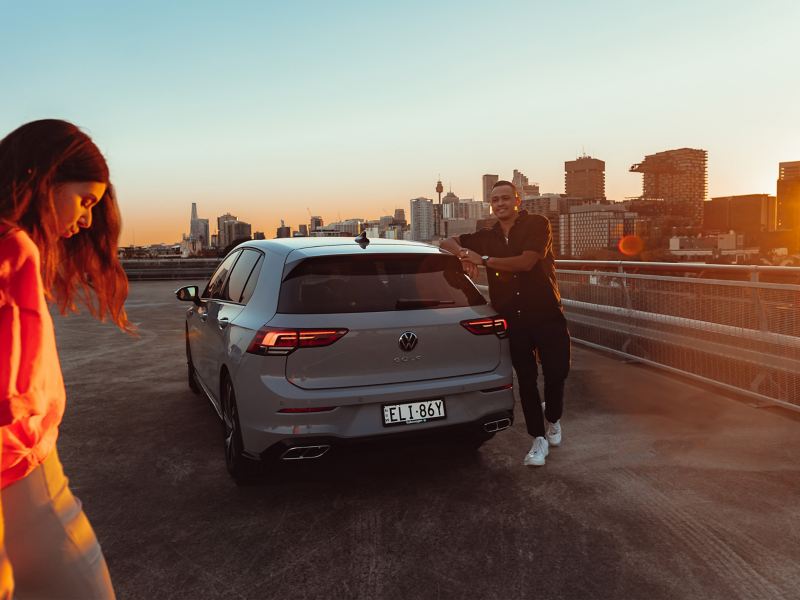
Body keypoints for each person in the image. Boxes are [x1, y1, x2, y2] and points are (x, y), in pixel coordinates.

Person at [0, 119, 130, 599]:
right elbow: (10, 401)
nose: (89, 220)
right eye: (85, 200)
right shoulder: (11, 248)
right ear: (44, 179)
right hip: (27, 480)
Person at [441, 180, 570, 467]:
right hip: (513, 319)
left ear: (517, 200)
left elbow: (526, 263)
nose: (499, 204)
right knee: (525, 379)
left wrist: (483, 260)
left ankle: (554, 417)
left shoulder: (537, 224)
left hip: (547, 314)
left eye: (504, 199)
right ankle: (537, 439)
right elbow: (445, 243)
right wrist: (464, 256)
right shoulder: (487, 235)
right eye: (494, 200)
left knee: (557, 373)